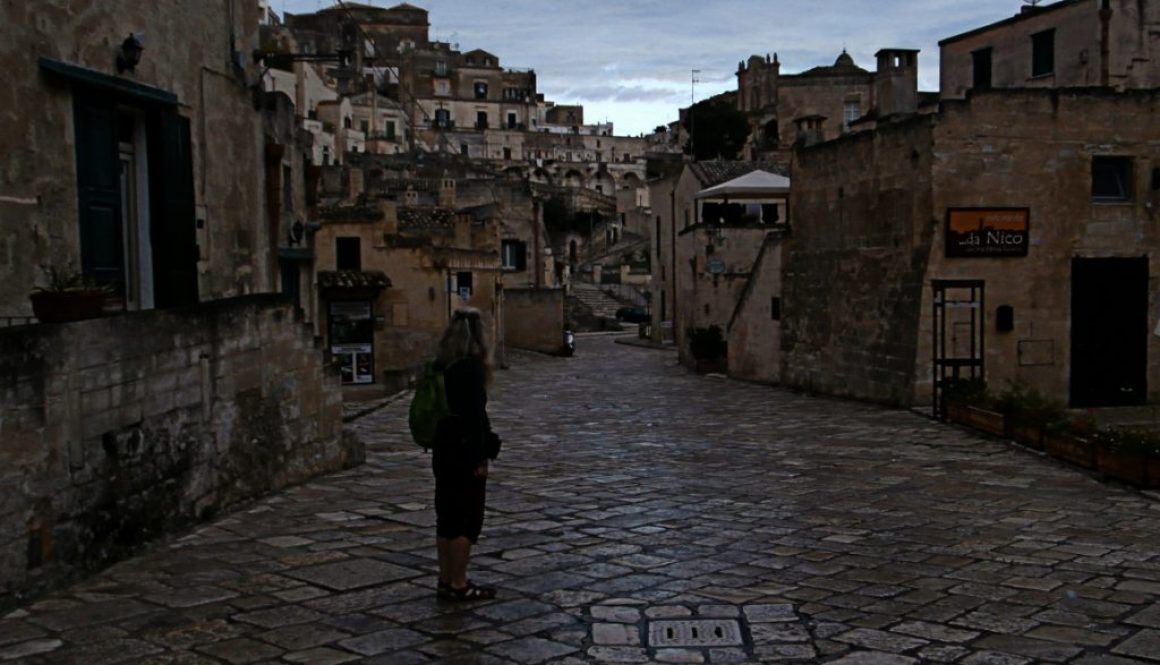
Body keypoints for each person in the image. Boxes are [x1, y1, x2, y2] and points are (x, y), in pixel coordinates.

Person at [432, 307, 501, 601]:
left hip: (443, 448)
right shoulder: (471, 370)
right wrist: (480, 458)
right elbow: (474, 418)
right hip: (464, 451)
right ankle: (459, 583)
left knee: (446, 515)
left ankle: (446, 579)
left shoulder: (442, 365)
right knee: (466, 518)